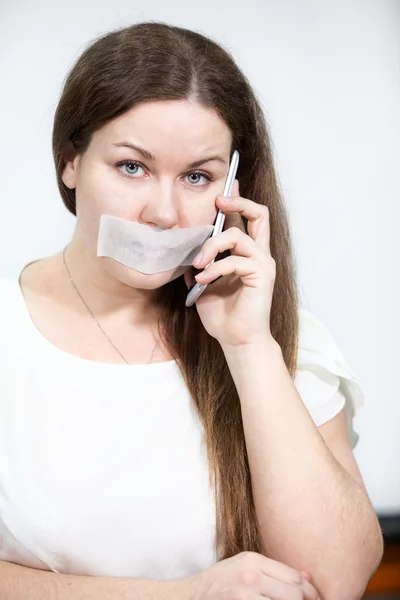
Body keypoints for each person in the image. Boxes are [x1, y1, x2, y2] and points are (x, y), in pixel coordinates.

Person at [0, 21, 383, 600]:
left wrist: (250, 347)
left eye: (197, 177)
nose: (162, 212)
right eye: (132, 167)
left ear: (230, 187)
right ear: (70, 162)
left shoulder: (271, 336)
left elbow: (338, 580)